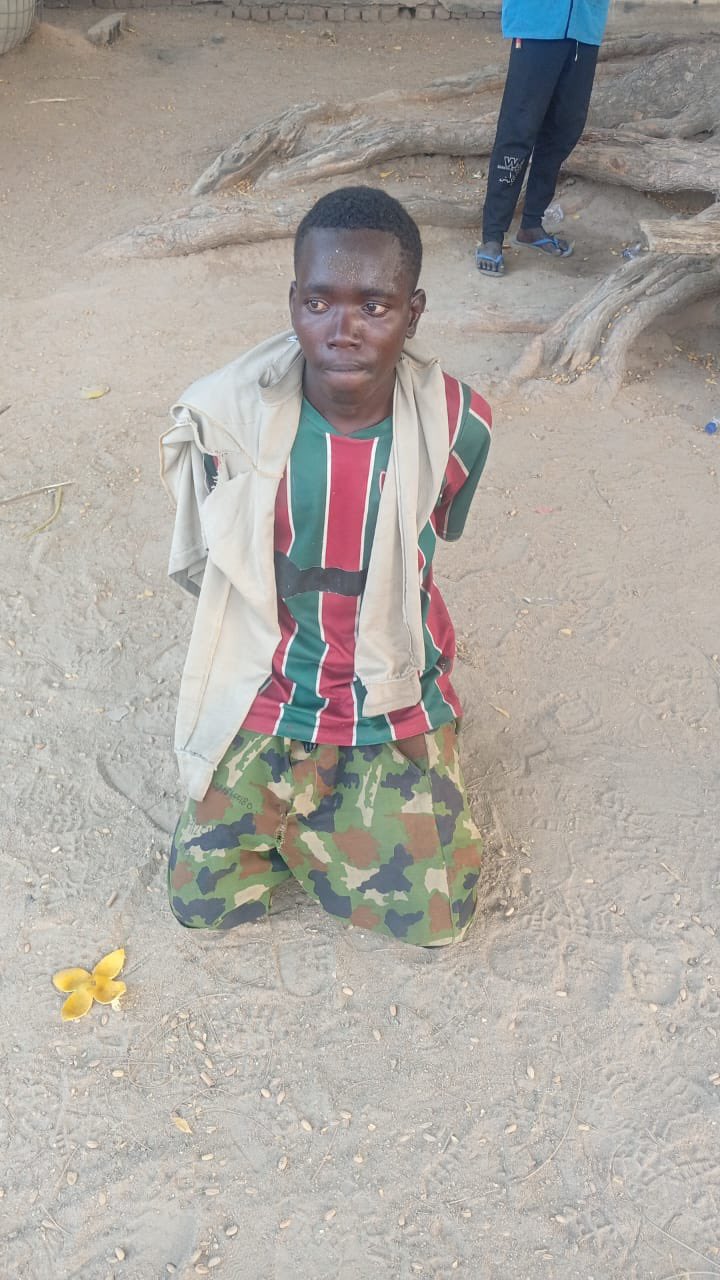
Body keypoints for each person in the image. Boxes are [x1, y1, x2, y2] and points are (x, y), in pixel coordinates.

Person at [161, 186, 492, 948]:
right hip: (268, 682)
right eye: (319, 302)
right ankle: (317, 815)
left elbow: (427, 547)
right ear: (293, 302)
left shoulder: (459, 424)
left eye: (374, 307)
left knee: (437, 920)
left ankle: (337, 807)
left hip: (385, 687)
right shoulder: (225, 421)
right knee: (200, 903)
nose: (342, 330)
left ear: (413, 313)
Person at [476, 0, 611, 276]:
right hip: (537, 23)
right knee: (519, 128)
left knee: (564, 129)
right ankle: (492, 236)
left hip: (584, 28)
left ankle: (531, 224)